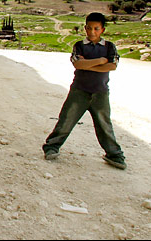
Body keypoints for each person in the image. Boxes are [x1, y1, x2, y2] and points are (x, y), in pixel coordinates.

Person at [42, 12, 126, 170]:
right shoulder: (79, 45)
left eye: (96, 28)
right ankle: (51, 147)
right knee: (66, 120)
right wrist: (101, 61)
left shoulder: (110, 47)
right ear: (85, 28)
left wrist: (88, 63)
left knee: (105, 125)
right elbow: (78, 65)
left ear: (102, 30)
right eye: (89, 28)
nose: (92, 32)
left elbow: (112, 66)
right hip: (79, 92)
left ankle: (115, 155)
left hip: (100, 93)